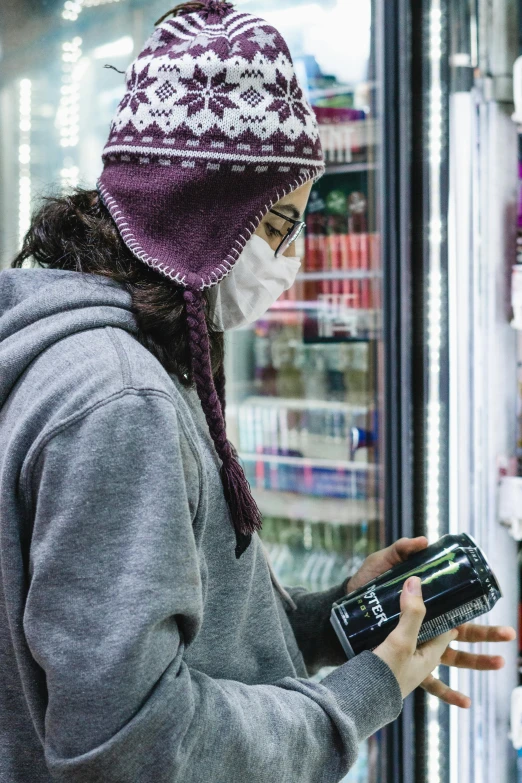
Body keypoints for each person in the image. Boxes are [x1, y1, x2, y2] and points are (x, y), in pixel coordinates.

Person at [0, 1, 515, 781]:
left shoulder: (91, 359)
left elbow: (143, 650)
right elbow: (129, 747)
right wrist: (361, 695)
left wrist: (328, 620)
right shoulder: (119, 401)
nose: (292, 259)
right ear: (203, 213)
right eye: (277, 223)